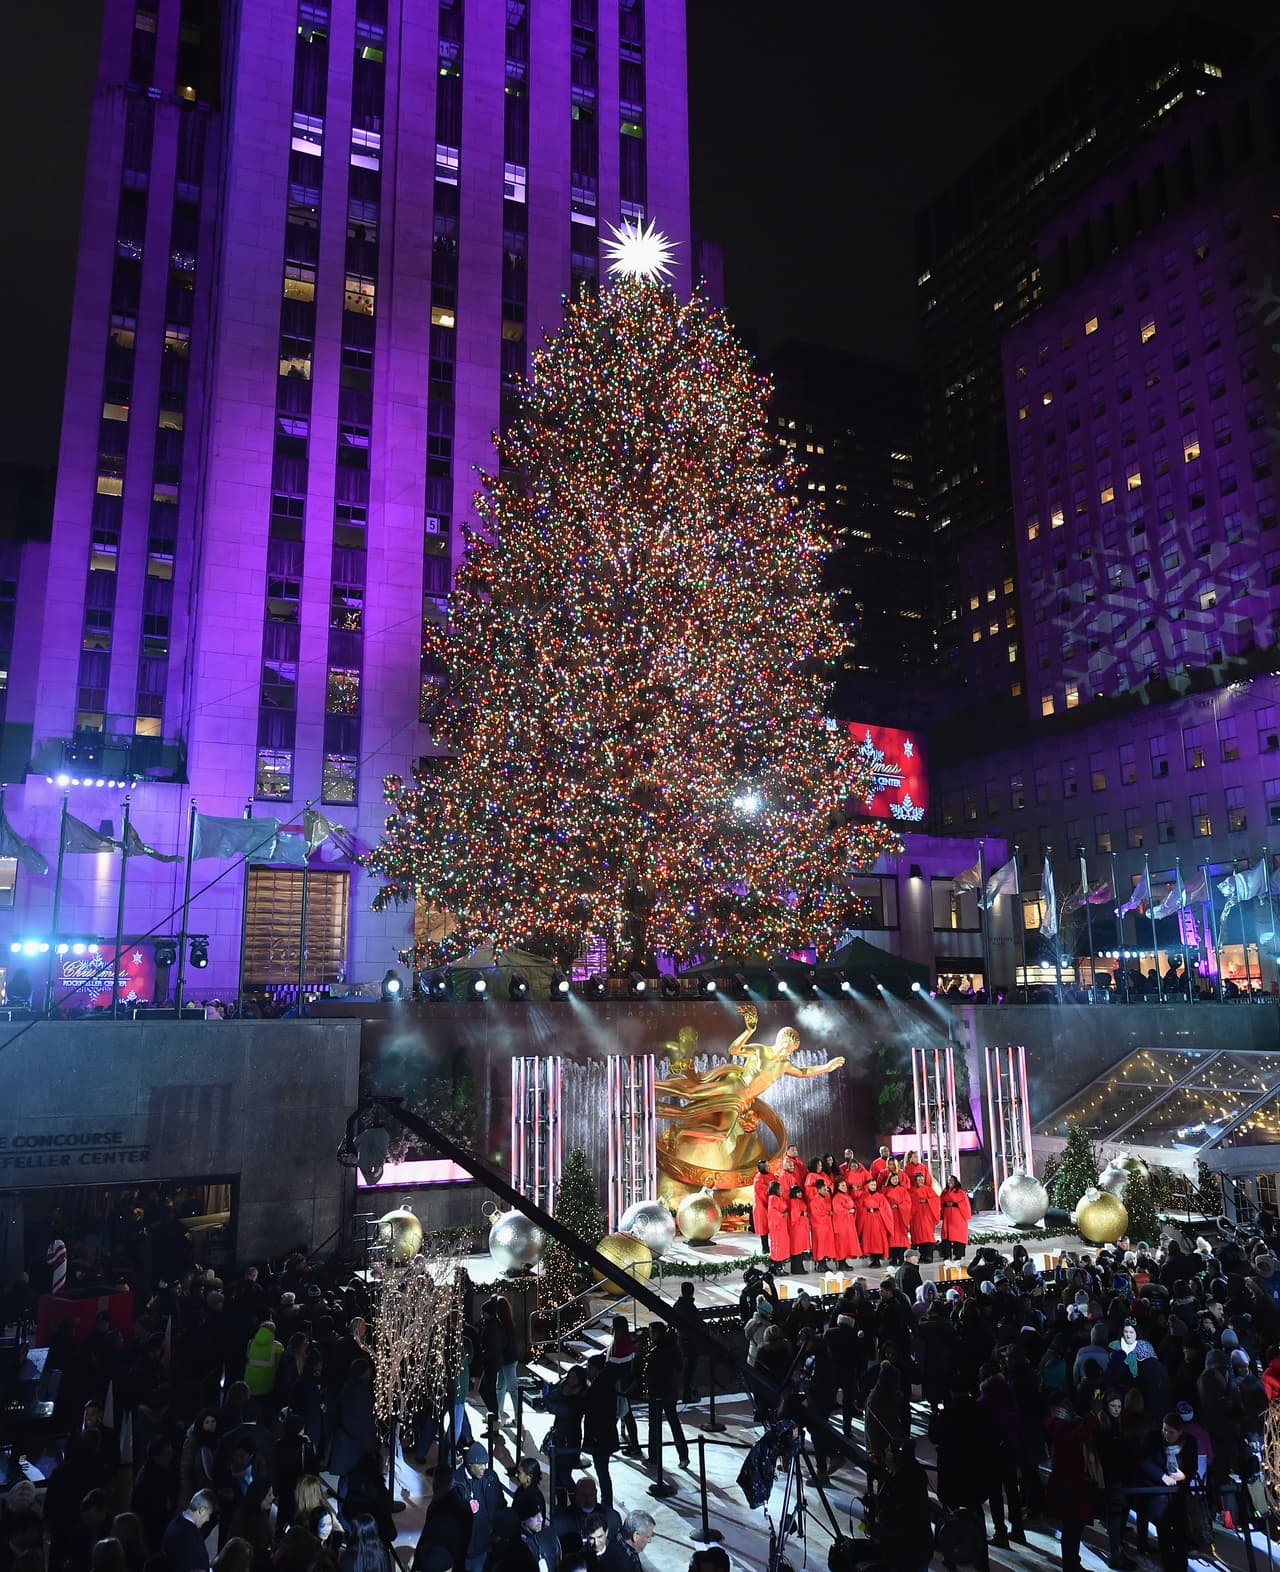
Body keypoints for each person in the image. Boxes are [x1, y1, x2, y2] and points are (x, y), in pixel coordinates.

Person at [1139, 1410, 1197, 1572]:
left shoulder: (1189, 1442)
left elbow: (1192, 1466)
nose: (1166, 1434)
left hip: (1179, 1495)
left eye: (1171, 1432)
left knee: (1180, 1535)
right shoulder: (1153, 1439)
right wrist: (1162, 1476)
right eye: (1164, 1429)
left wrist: (1183, 1476)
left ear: (1180, 1432)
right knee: (1163, 1534)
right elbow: (1144, 1461)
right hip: (1159, 1494)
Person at [643, 1324, 689, 1470]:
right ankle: (683, 1456)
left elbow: (651, 1374)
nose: (650, 1336)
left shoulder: (656, 1352)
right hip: (671, 1390)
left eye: (651, 1333)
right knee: (674, 1422)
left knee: (654, 1426)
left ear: (657, 1334)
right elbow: (680, 1367)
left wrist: (649, 1389)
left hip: (657, 1393)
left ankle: (654, 1457)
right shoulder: (674, 1348)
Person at [454, 1441, 502, 1572]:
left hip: (487, 1546)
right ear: (470, 1464)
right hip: (466, 1550)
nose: (484, 1468)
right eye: (480, 1464)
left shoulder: (490, 1477)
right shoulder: (456, 1483)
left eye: (485, 1464)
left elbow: (500, 1504)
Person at [414, 1464, 472, 1571]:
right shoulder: (463, 1505)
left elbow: (426, 1535)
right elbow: (465, 1538)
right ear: (452, 1482)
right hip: (446, 1556)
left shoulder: (435, 1505)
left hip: (440, 1556)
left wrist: (416, 1566)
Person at [160, 1491, 215, 1572]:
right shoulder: (187, 1535)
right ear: (202, 1510)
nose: (208, 1520)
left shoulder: (177, 1522)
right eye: (209, 1514)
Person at [673, 1282, 703, 1403]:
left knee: (686, 1369)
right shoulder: (691, 1308)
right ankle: (688, 1394)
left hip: (681, 1340)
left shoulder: (678, 1305)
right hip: (691, 1342)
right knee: (690, 1369)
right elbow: (698, 1325)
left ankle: (688, 1392)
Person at [242, 1323, 282, 1400]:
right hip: (266, 1387)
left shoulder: (251, 1343)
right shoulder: (277, 1346)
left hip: (249, 1384)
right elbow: (279, 1366)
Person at [856, 1180, 889, 1268]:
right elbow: (859, 1207)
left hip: (878, 1219)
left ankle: (877, 1259)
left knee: (877, 1239)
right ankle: (872, 1258)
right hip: (867, 1219)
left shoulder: (880, 1196)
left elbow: (885, 1208)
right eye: (871, 1185)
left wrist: (879, 1211)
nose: (874, 1186)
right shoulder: (863, 1196)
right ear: (867, 1186)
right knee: (868, 1238)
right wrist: (864, 1211)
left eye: (875, 1184)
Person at [908, 1171, 939, 1263]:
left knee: (928, 1236)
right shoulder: (912, 1190)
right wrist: (918, 1201)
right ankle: (922, 1256)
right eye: (918, 1179)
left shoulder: (929, 1189)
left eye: (922, 1179)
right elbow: (909, 1201)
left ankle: (929, 1256)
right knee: (919, 1237)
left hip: (927, 1215)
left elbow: (935, 1199)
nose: (920, 1181)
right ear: (915, 1181)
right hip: (916, 1216)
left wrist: (927, 1200)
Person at [940, 1176, 971, 1261]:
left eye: (952, 1180)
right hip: (947, 1218)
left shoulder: (961, 1192)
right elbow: (941, 1202)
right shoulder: (944, 1192)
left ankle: (958, 1255)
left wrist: (954, 1204)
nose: (950, 1182)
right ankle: (947, 1255)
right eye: (949, 1180)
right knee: (946, 1237)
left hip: (958, 1218)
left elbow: (965, 1205)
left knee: (958, 1237)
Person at [831, 1178, 860, 1265]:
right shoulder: (837, 1197)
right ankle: (841, 1262)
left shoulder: (847, 1196)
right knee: (841, 1243)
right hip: (841, 1223)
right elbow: (838, 1210)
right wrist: (849, 1211)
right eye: (842, 1185)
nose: (845, 1187)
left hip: (848, 1222)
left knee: (846, 1242)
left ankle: (844, 1261)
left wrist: (854, 1209)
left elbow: (852, 1205)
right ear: (838, 1187)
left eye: (845, 1185)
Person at [808, 1181, 836, 1272]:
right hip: (819, 1226)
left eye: (826, 1189)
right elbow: (815, 1214)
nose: (826, 1191)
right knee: (820, 1245)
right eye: (824, 1189)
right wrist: (827, 1213)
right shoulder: (815, 1200)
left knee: (825, 1245)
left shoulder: (826, 1198)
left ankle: (824, 1263)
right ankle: (820, 1264)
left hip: (826, 1225)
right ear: (819, 1190)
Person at [765, 1181, 790, 1270]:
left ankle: (780, 1266)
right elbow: (772, 1211)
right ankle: (777, 1267)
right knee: (778, 1245)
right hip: (777, 1226)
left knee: (782, 1244)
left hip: (781, 1225)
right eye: (779, 1188)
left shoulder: (777, 1198)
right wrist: (782, 1215)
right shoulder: (773, 1198)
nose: (781, 1190)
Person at [787, 1185, 810, 1273]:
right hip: (796, 1229)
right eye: (798, 1192)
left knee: (799, 1249)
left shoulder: (799, 1201)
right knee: (797, 1248)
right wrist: (801, 1214)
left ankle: (798, 1268)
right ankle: (798, 1269)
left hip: (801, 1228)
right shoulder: (793, 1202)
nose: (800, 1193)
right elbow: (794, 1215)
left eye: (800, 1192)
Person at [752, 1159, 771, 1251]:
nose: (768, 1167)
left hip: (771, 1206)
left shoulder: (771, 1175)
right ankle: (765, 1248)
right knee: (764, 1228)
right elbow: (763, 1193)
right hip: (762, 1206)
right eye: (766, 1166)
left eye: (768, 1165)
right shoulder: (758, 1179)